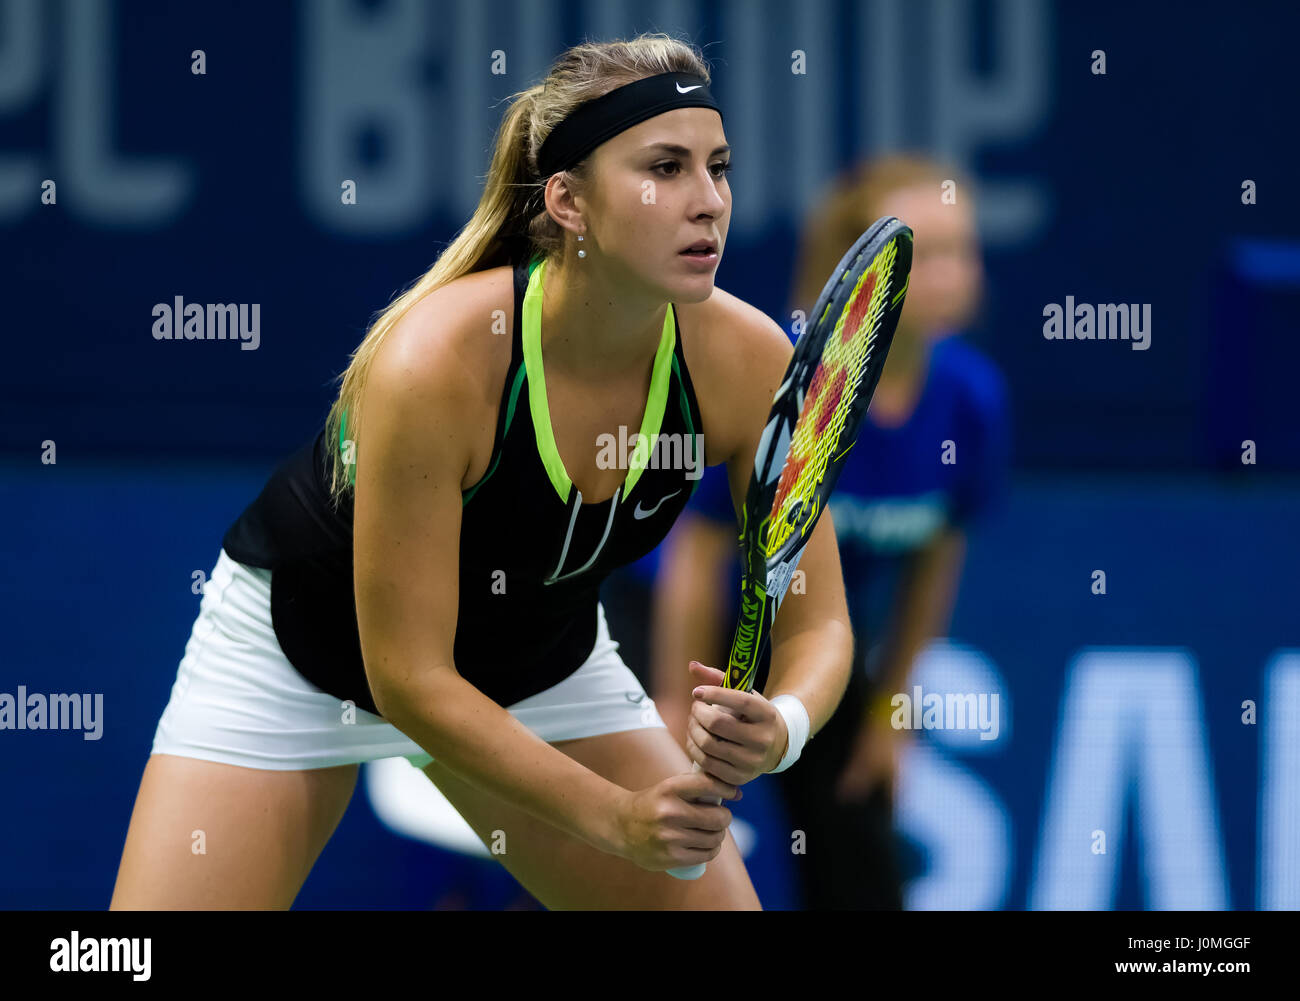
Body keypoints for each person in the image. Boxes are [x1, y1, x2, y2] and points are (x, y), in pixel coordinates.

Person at [109, 33, 856, 911]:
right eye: (665, 167)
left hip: (537, 663)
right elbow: (411, 681)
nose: (709, 203)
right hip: (304, 654)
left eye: (719, 168)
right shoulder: (438, 362)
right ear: (569, 202)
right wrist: (618, 817)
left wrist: (784, 726)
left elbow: (820, 628)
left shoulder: (745, 360)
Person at [650, 154, 1012, 909]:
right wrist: (671, 705)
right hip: (680, 629)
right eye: (931, 251)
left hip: (811, 648)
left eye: (963, 251)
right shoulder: (785, 372)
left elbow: (936, 559)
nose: (953, 273)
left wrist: (891, 715)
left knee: (858, 860)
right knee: (646, 859)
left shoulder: (972, 400)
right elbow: (700, 549)